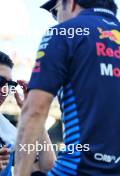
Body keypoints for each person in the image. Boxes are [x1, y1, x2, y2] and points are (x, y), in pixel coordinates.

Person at [15, 0, 120, 175]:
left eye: (55, 12)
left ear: (71, 3)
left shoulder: (65, 32)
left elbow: (34, 111)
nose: (56, 20)